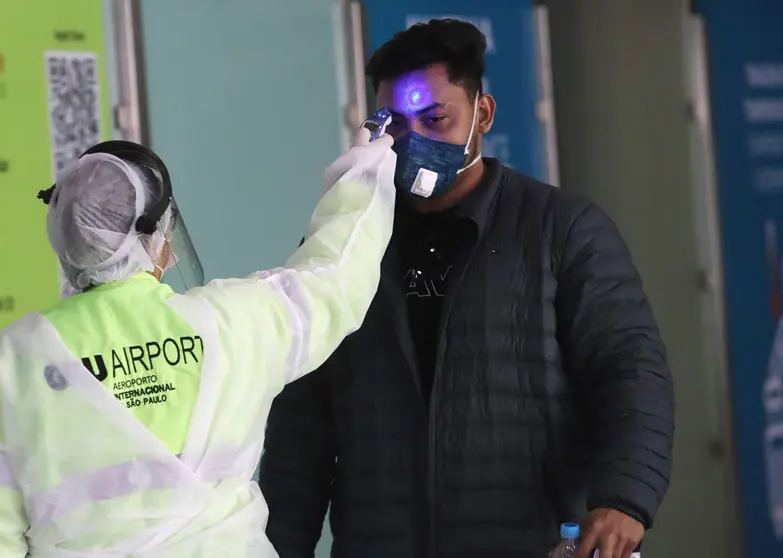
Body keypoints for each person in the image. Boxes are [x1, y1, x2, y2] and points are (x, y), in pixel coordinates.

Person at [259, 19, 675, 558]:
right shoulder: (343, 248)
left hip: (529, 540)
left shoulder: (560, 229)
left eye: (437, 119)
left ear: (483, 113)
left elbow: (629, 369)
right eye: (397, 126)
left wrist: (624, 500)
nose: (416, 142)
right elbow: (301, 426)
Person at [0, 131, 397, 557]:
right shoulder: (231, 324)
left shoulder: (20, 358)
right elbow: (335, 278)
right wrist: (366, 170)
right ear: (158, 239)